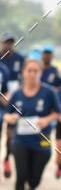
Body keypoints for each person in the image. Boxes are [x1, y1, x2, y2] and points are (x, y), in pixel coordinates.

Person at [3, 56, 61, 190]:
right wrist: (9, 118)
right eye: (29, 70)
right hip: (20, 141)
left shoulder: (48, 92)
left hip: (41, 141)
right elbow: (7, 114)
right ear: (23, 72)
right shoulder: (17, 94)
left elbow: (58, 112)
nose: (32, 74)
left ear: (40, 73)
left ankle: (33, 187)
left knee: (34, 178)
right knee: (21, 175)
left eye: (35, 71)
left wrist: (47, 119)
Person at [1, 31, 25, 178]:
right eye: (6, 42)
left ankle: (7, 159)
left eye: (11, 42)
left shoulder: (20, 59)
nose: (8, 45)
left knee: (10, 136)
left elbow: (23, 79)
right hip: (2, 99)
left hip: (13, 100)